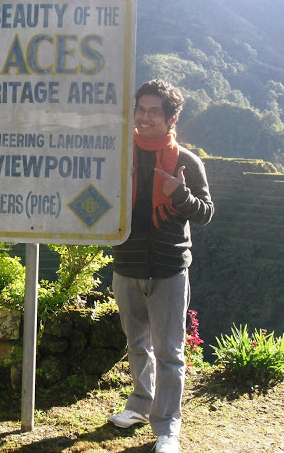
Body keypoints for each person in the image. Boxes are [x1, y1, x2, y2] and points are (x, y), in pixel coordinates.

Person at [108, 79, 214, 453]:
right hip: (127, 264)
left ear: (171, 118)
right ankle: (139, 404)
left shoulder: (186, 162)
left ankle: (167, 427)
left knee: (170, 352)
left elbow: (205, 213)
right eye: (140, 110)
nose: (145, 117)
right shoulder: (119, 156)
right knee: (136, 343)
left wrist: (178, 193)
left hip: (169, 268)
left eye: (154, 111)